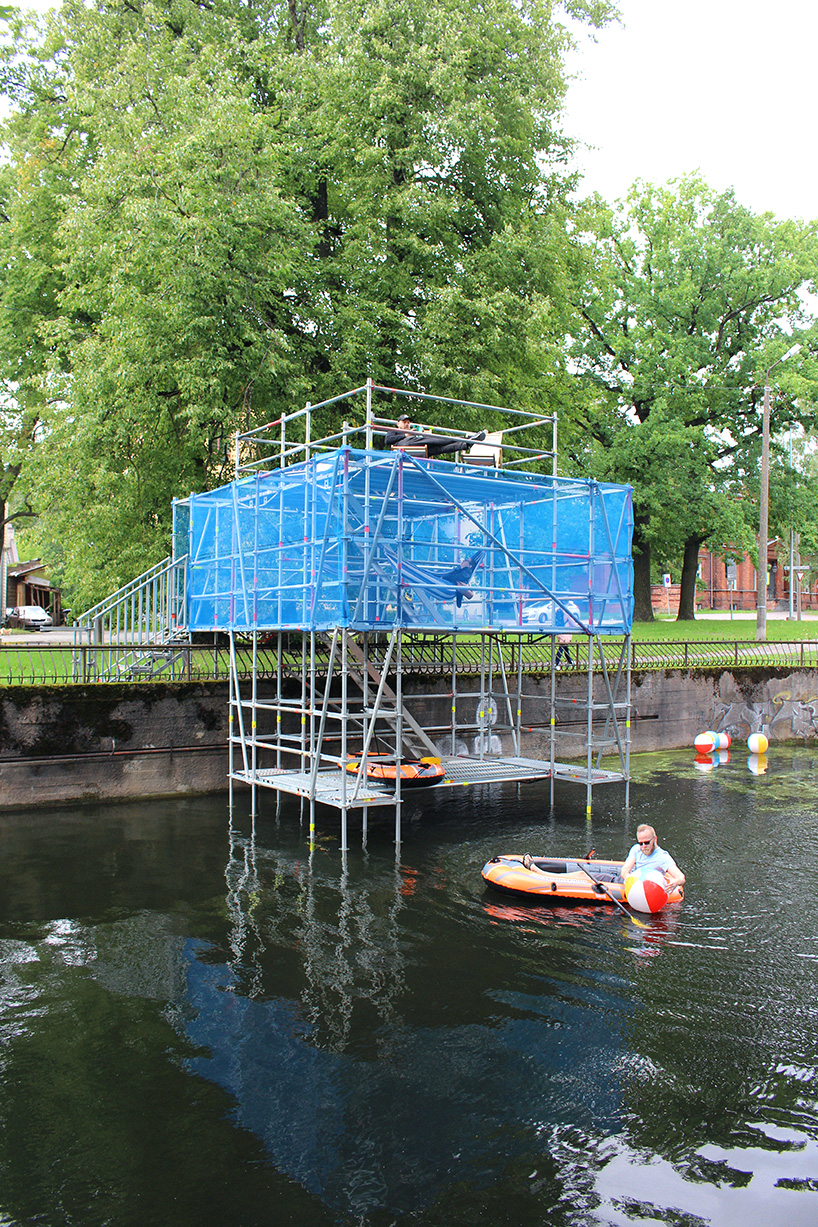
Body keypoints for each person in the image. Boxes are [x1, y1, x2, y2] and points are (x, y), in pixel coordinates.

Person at [384, 412, 486, 458]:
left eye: (408, 422)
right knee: (438, 440)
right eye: (404, 422)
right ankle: (467, 439)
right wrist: (405, 435)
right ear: (398, 424)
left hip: (417, 447)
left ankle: (466, 443)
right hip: (404, 447)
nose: (407, 424)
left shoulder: (411, 431)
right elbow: (388, 440)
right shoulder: (393, 430)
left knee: (440, 448)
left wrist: (418, 433)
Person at [620, 824, 685, 890]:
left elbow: (681, 877)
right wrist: (631, 879)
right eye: (641, 843)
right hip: (633, 884)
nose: (644, 846)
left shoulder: (663, 857)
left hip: (650, 889)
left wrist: (676, 881)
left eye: (647, 842)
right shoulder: (636, 849)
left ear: (655, 839)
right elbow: (625, 870)